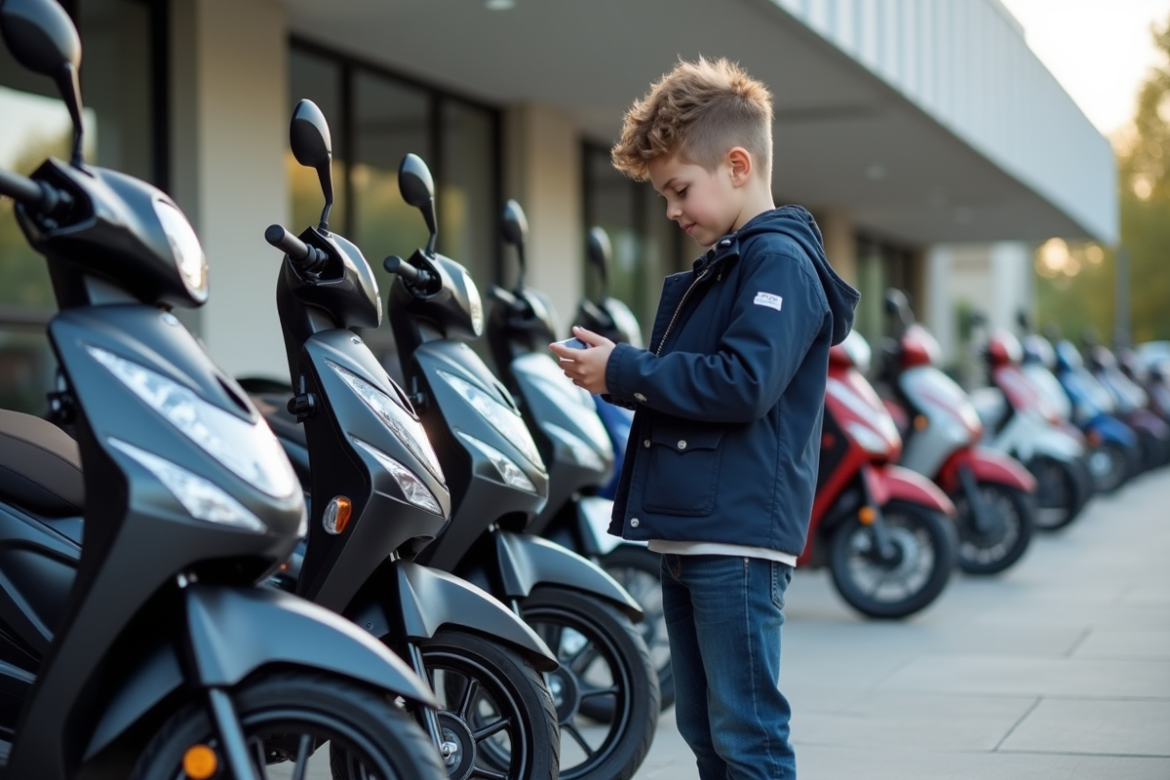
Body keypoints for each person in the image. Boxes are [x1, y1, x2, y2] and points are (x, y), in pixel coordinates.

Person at [549, 56, 859, 780]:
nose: (672, 210)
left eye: (679, 189)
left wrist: (622, 370)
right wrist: (621, 365)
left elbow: (742, 383)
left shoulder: (777, 261)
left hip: (738, 536)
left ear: (739, 164)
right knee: (706, 729)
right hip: (698, 532)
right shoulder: (736, 263)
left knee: (746, 734)